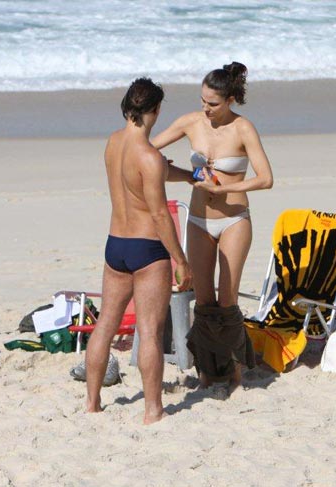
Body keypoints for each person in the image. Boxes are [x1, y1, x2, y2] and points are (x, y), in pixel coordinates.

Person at [151, 62, 273, 393]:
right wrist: (162, 168)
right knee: (203, 300)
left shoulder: (244, 128)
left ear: (231, 99)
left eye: (213, 104)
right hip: (199, 221)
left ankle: (233, 371)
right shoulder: (192, 122)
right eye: (203, 100)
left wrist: (224, 189)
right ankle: (207, 372)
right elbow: (149, 148)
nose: (206, 109)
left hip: (234, 219)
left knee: (227, 300)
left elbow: (266, 178)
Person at [84, 77, 192, 425]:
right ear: (156, 110)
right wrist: (180, 258)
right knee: (149, 329)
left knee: (105, 325)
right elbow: (160, 214)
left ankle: (91, 402)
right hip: (147, 248)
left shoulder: (113, 143)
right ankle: (153, 409)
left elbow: (147, 173)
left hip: (115, 244)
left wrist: (188, 176)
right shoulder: (151, 157)